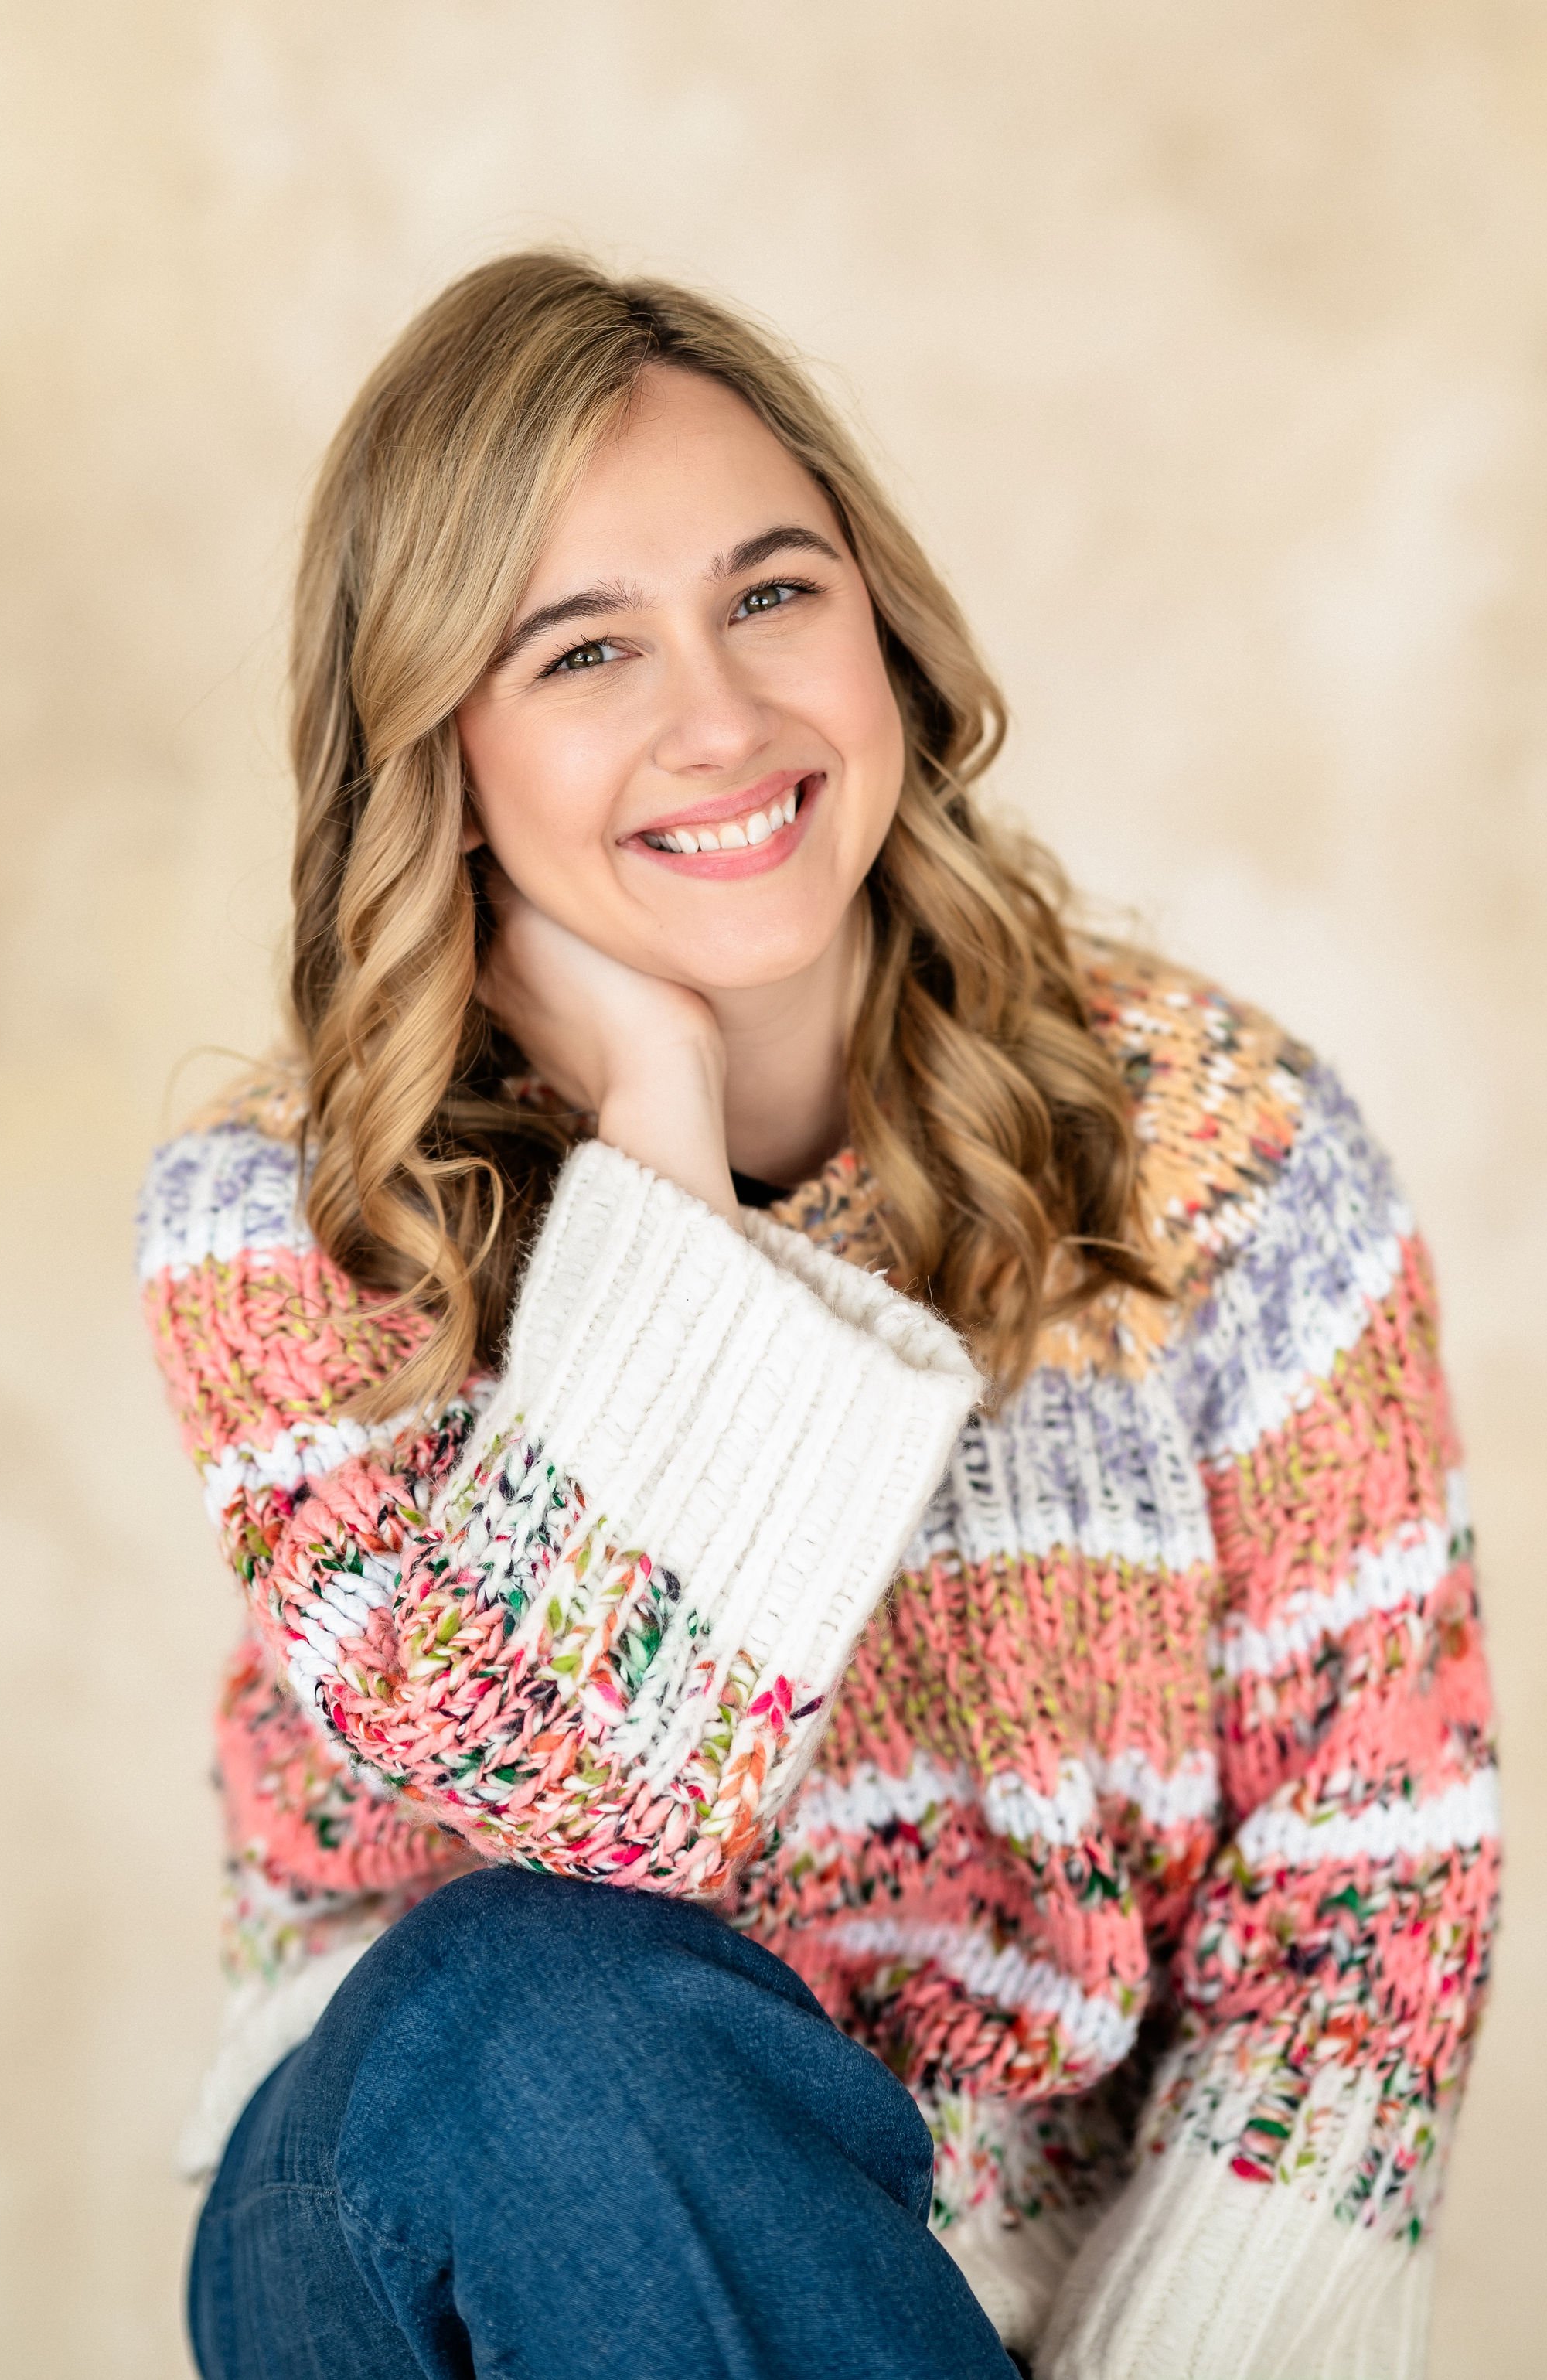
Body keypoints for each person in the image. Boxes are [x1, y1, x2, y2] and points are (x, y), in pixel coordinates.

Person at [139, 253, 1498, 2380]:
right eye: (582, 648)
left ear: (883, 630)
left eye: (774, 593)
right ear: (441, 750)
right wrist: (661, 1143)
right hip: (420, 2228)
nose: (722, 719)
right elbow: (587, 1822)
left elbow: (1364, 1911)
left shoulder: (1223, 1155)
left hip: (943, 2315)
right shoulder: (292, 1228)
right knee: (547, 2003)